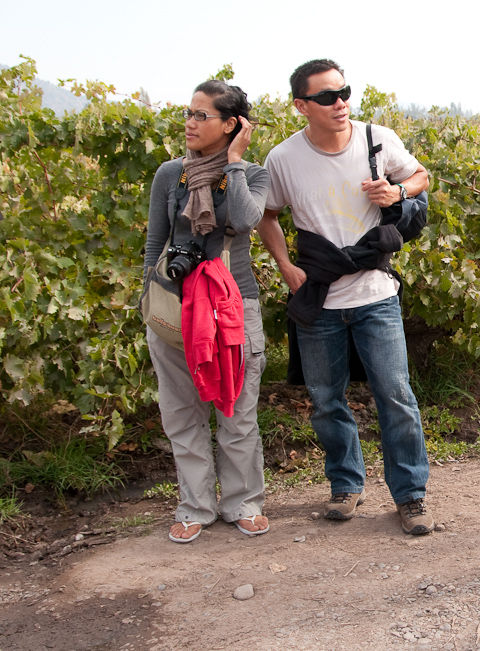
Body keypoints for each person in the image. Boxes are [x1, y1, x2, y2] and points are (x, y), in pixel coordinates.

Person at [257, 59, 435, 536]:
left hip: (376, 292)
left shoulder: (377, 138)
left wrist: (397, 190)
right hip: (319, 296)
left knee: (395, 395)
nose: (340, 103)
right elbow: (268, 215)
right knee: (325, 400)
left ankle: (411, 496)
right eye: (326, 97)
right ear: (301, 106)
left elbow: (421, 176)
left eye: (344, 93)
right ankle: (345, 484)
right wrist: (286, 267)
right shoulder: (283, 159)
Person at [144, 80, 271, 544]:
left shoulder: (253, 174)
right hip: (173, 306)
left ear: (233, 125)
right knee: (180, 408)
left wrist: (234, 164)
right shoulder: (169, 175)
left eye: (202, 116)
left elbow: (243, 219)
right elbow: (155, 243)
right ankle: (195, 504)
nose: (190, 123)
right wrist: (149, 299)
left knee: (236, 407)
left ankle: (243, 502)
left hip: (233, 304)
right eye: (189, 113)